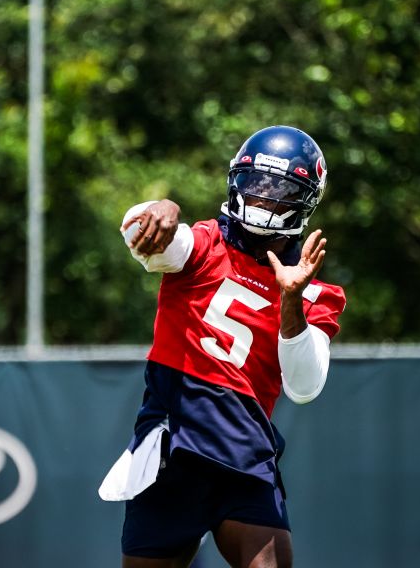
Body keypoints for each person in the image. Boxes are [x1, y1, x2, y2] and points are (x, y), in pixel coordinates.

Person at [98, 125, 347, 568]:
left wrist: (291, 302)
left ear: (303, 201)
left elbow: (304, 387)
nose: (262, 199)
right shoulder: (203, 243)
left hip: (244, 457)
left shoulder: (314, 292)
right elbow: (142, 235)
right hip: (174, 453)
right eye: (257, 185)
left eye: (278, 191)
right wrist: (162, 207)